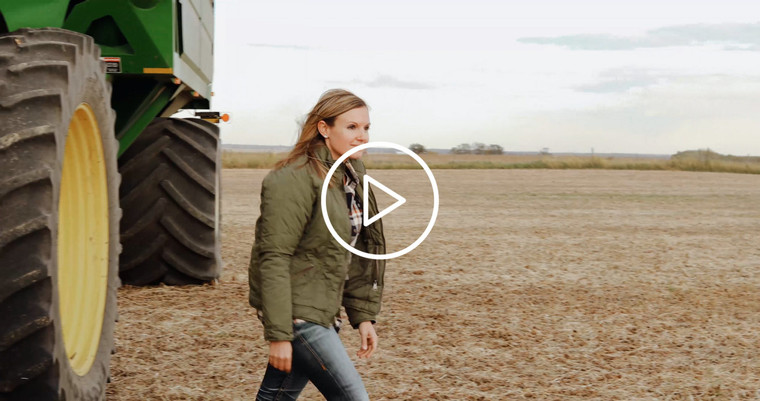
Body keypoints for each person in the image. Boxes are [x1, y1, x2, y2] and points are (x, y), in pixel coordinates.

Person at [249, 89, 387, 400]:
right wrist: (280, 335)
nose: (362, 136)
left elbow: (356, 251)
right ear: (324, 129)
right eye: (351, 127)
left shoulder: (351, 175)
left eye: (366, 128)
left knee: (276, 397)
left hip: (323, 308)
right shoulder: (293, 178)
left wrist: (362, 315)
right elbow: (273, 257)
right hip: (298, 315)